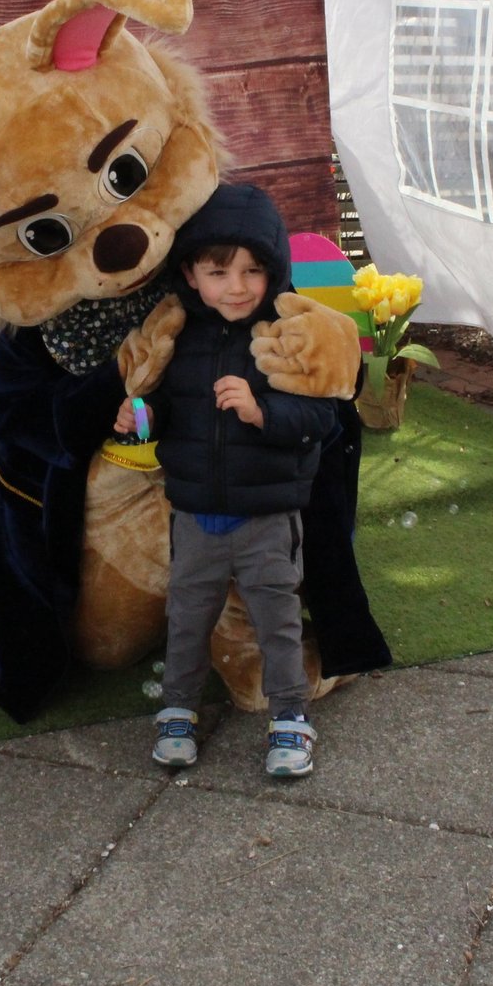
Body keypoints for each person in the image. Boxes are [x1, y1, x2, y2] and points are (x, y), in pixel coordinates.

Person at [114, 182, 338, 777]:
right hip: (194, 515)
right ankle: (178, 712)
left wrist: (263, 411)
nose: (236, 287)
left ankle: (290, 718)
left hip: (266, 516)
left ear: (275, 271)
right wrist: (141, 415)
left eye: (252, 271)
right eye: (218, 271)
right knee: (187, 617)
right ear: (190, 273)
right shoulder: (177, 337)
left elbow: (323, 417)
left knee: (277, 620)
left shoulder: (287, 338)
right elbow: (161, 403)